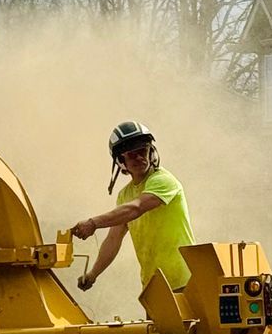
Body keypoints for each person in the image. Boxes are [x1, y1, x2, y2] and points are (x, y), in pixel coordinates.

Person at [70, 121, 196, 294]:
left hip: (185, 282)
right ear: (121, 161)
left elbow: (136, 208)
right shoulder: (124, 195)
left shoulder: (163, 180)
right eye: (131, 154)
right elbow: (113, 240)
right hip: (154, 287)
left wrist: (93, 223)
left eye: (142, 151)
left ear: (151, 152)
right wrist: (93, 274)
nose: (138, 158)